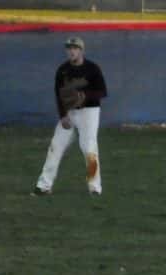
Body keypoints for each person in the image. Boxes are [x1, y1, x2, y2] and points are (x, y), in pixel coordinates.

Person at [32, 36, 107, 197]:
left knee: (89, 149)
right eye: (69, 48)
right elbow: (59, 95)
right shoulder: (63, 70)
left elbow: (102, 92)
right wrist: (63, 115)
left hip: (89, 112)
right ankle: (44, 186)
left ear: (81, 50)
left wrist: (84, 95)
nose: (72, 51)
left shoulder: (92, 68)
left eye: (75, 48)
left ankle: (95, 187)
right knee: (55, 146)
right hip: (70, 112)